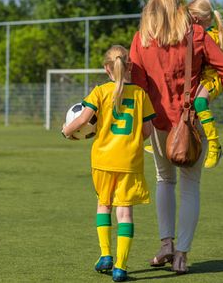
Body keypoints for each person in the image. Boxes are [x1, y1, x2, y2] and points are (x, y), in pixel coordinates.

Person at [129, 0, 223, 274]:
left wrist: (144, 121)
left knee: (164, 180)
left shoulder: (141, 39)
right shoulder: (195, 34)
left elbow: (137, 86)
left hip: (158, 123)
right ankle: (182, 255)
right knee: (190, 187)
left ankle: (166, 245)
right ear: (177, 7)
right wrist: (206, 92)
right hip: (191, 124)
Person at [62, 45, 156, 282]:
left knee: (103, 205)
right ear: (130, 67)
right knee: (125, 213)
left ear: (107, 68)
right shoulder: (140, 94)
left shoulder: (99, 91)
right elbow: (147, 130)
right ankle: (121, 268)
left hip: (102, 160)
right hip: (130, 161)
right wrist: (132, 140)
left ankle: (105, 254)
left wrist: (66, 131)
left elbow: (83, 118)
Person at [188, 0, 223, 168]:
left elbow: (221, 65)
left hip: (214, 77)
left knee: (199, 102)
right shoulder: (194, 33)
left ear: (196, 18)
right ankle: (173, 140)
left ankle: (215, 146)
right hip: (201, 77)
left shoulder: (210, 36)